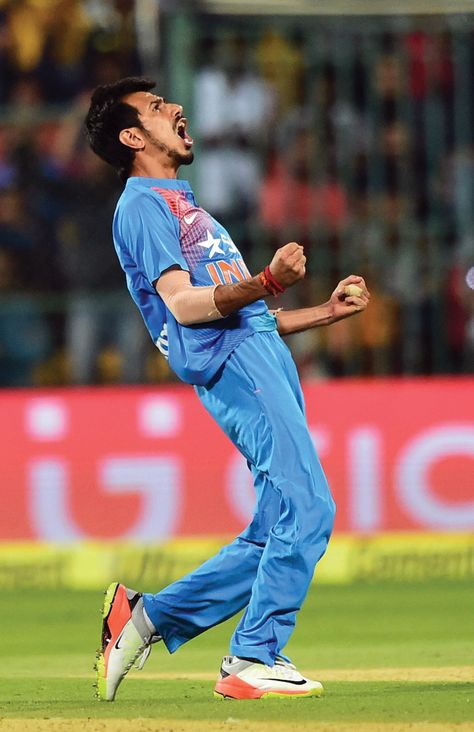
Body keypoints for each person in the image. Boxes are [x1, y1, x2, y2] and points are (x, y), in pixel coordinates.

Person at [85, 76, 370, 702]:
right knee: (311, 508)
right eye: (158, 109)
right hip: (238, 367)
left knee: (273, 531)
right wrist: (268, 278)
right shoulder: (141, 206)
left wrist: (320, 314)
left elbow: (242, 313)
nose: (176, 109)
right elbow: (186, 306)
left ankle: (144, 618)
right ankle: (252, 655)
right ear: (133, 137)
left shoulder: (180, 202)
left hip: (257, 353)